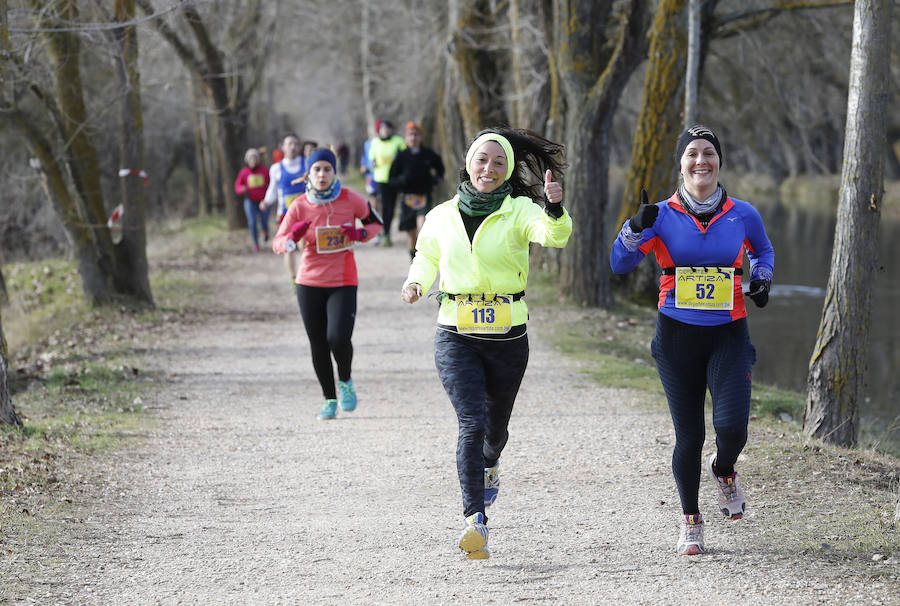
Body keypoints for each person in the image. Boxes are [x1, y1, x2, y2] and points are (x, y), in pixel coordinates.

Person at [401, 127, 572, 559]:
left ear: (508, 169)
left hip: (508, 336)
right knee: (471, 423)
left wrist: (554, 207)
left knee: (494, 431)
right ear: (469, 163)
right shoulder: (441, 214)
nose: (489, 169)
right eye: (482, 160)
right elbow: (426, 256)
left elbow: (554, 236)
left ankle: (491, 462)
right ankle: (474, 522)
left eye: (499, 163)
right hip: (455, 333)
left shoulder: (520, 211)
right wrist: (416, 283)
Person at [609, 125, 775, 556]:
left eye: (708, 153)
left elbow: (763, 251)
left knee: (732, 428)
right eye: (692, 154)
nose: (701, 161)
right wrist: (633, 227)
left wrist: (761, 279)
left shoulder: (744, 213)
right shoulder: (660, 214)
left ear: (719, 162)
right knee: (690, 434)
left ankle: (724, 471)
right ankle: (691, 521)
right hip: (677, 336)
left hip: (729, 332)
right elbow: (619, 263)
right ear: (680, 164)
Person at [272, 148, 384, 420]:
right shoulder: (299, 205)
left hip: (343, 280)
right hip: (309, 282)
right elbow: (277, 242)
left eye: (327, 169)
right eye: (317, 170)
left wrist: (359, 233)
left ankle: (345, 380)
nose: (322, 174)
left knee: (338, 337)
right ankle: (329, 399)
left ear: (334, 172)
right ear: (308, 174)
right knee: (318, 343)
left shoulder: (350, 200)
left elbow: (376, 224)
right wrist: (292, 238)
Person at [389, 122, 445, 261]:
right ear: (406, 137)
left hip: (424, 195)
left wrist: (437, 179)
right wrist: (401, 180)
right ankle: (412, 254)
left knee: (423, 225)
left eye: (416, 134)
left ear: (420, 137)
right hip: (407, 196)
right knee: (411, 231)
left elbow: (440, 167)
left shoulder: (428, 154)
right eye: (410, 135)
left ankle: (423, 254)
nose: (413, 138)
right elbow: (392, 178)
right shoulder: (401, 156)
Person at [262, 134, 305, 281]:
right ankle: (294, 278)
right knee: (289, 247)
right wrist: (266, 202)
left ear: (299, 147)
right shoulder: (276, 168)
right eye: (289, 144)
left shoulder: (307, 164)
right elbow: (273, 189)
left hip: (305, 214)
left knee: (304, 246)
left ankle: (306, 277)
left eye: (295, 144)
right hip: (285, 215)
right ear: (283, 147)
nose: (292, 147)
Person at [368, 120, 406, 247]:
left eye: (388, 128)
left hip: (394, 179)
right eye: (383, 129)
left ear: (391, 130)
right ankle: (384, 233)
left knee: (391, 207)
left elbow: (405, 156)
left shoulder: (398, 141)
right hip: (380, 178)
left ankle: (387, 231)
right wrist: (372, 164)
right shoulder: (375, 142)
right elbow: (372, 158)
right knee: (384, 206)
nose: (385, 131)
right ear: (379, 131)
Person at [234, 148, 271, 251]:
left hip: (263, 201)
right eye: (251, 158)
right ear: (247, 160)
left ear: (258, 159)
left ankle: (265, 230)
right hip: (250, 201)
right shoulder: (244, 172)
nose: (253, 160)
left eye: (255, 158)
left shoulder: (264, 170)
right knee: (252, 222)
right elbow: (237, 186)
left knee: (264, 220)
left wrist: (269, 196)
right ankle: (255, 243)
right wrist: (242, 189)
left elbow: (271, 184)